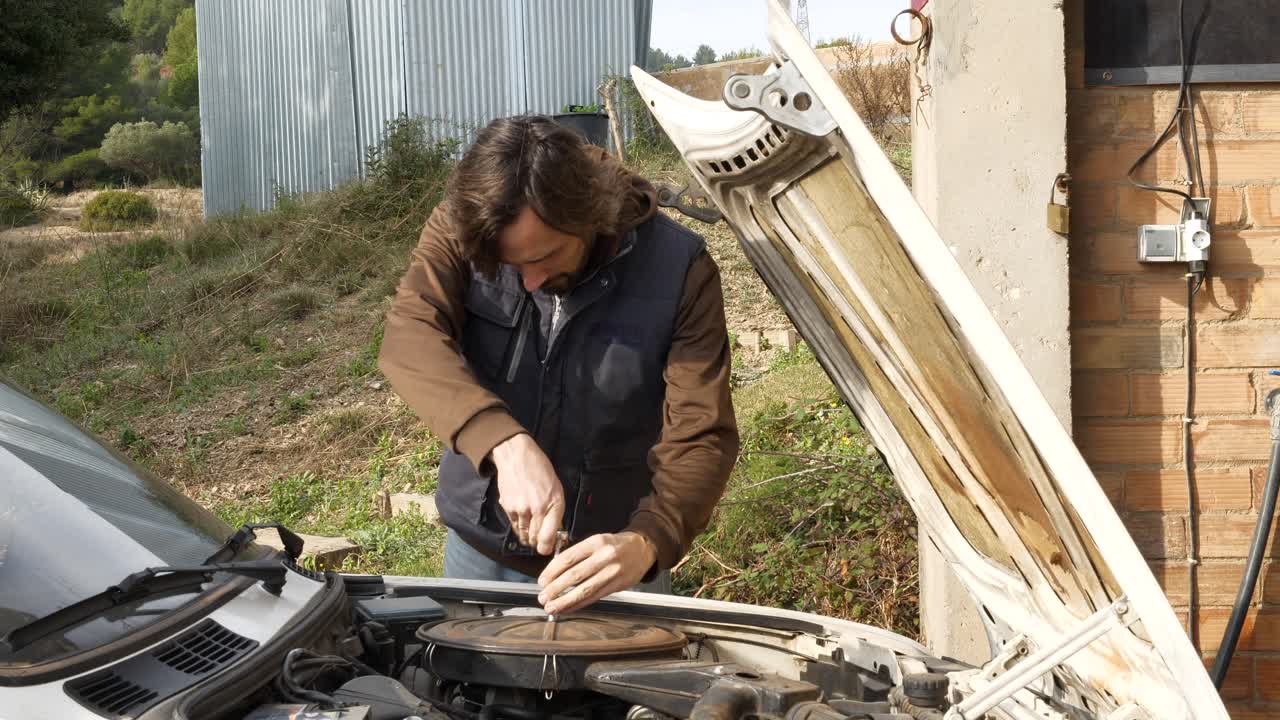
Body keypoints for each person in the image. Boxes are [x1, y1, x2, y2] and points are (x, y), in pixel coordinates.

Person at [378, 114, 738, 616]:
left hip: (613, 567)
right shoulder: (464, 222)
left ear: (590, 217)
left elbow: (701, 432)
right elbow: (409, 336)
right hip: (478, 555)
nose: (527, 282)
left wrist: (650, 540)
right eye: (509, 266)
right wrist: (504, 443)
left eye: (544, 259)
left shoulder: (678, 270)